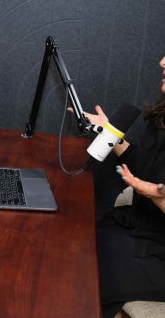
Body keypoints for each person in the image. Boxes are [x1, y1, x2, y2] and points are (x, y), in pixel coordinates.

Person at [83, 56, 165, 318]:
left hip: (160, 254)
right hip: (140, 224)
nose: (162, 62)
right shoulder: (162, 115)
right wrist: (108, 131)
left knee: (97, 281)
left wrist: (157, 197)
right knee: (79, 243)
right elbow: (141, 163)